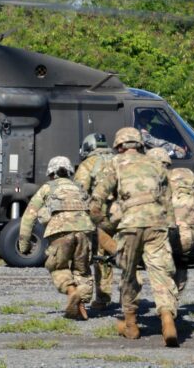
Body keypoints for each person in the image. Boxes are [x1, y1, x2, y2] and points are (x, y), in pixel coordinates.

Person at [91, 127, 180, 347]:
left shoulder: (115, 163)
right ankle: (168, 319)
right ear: (139, 145)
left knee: (128, 273)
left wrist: (101, 223)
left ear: (120, 146)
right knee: (161, 272)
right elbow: (168, 200)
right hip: (156, 224)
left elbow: (98, 198)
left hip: (130, 224)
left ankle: (130, 324)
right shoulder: (156, 164)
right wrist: (170, 226)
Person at [18, 156, 94, 320]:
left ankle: (72, 292)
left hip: (60, 231)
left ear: (51, 173)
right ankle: (82, 306)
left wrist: (24, 244)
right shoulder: (79, 188)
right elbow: (94, 211)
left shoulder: (47, 188)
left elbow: (28, 216)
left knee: (58, 267)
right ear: (69, 171)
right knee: (82, 270)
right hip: (85, 229)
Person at [146, 147, 194, 292]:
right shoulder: (186, 175)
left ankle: (166, 298)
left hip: (157, 239)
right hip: (186, 239)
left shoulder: (142, 181)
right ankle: (174, 294)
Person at [74, 133, 117, 310]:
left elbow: (79, 190)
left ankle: (102, 298)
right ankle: (131, 298)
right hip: (126, 215)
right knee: (131, 254)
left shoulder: (89, 164)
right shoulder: (119, 160)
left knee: (102, 257)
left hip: (102, 217)